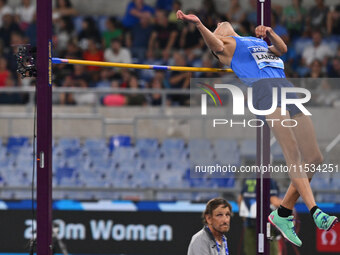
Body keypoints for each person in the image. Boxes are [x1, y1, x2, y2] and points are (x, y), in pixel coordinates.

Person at [177, 10, 338, 247]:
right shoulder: (226, 46)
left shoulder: (252, 41)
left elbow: (281, 50)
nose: (220, 23)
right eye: (217, 26)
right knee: (292, 153)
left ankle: (283, 213)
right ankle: (315, 210)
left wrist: (271, 33)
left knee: (315, 157)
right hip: (265, 91)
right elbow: (214, 45)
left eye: (220, 22)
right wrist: (201, 25)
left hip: (286, 87)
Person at [238, 178, 282, 255]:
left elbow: (240, 199)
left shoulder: (248, 180)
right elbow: (274, 200)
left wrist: (245, 218)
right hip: (267, 226)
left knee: (250, 251)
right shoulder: (269, 180)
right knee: (272, 251)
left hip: (249, 224)